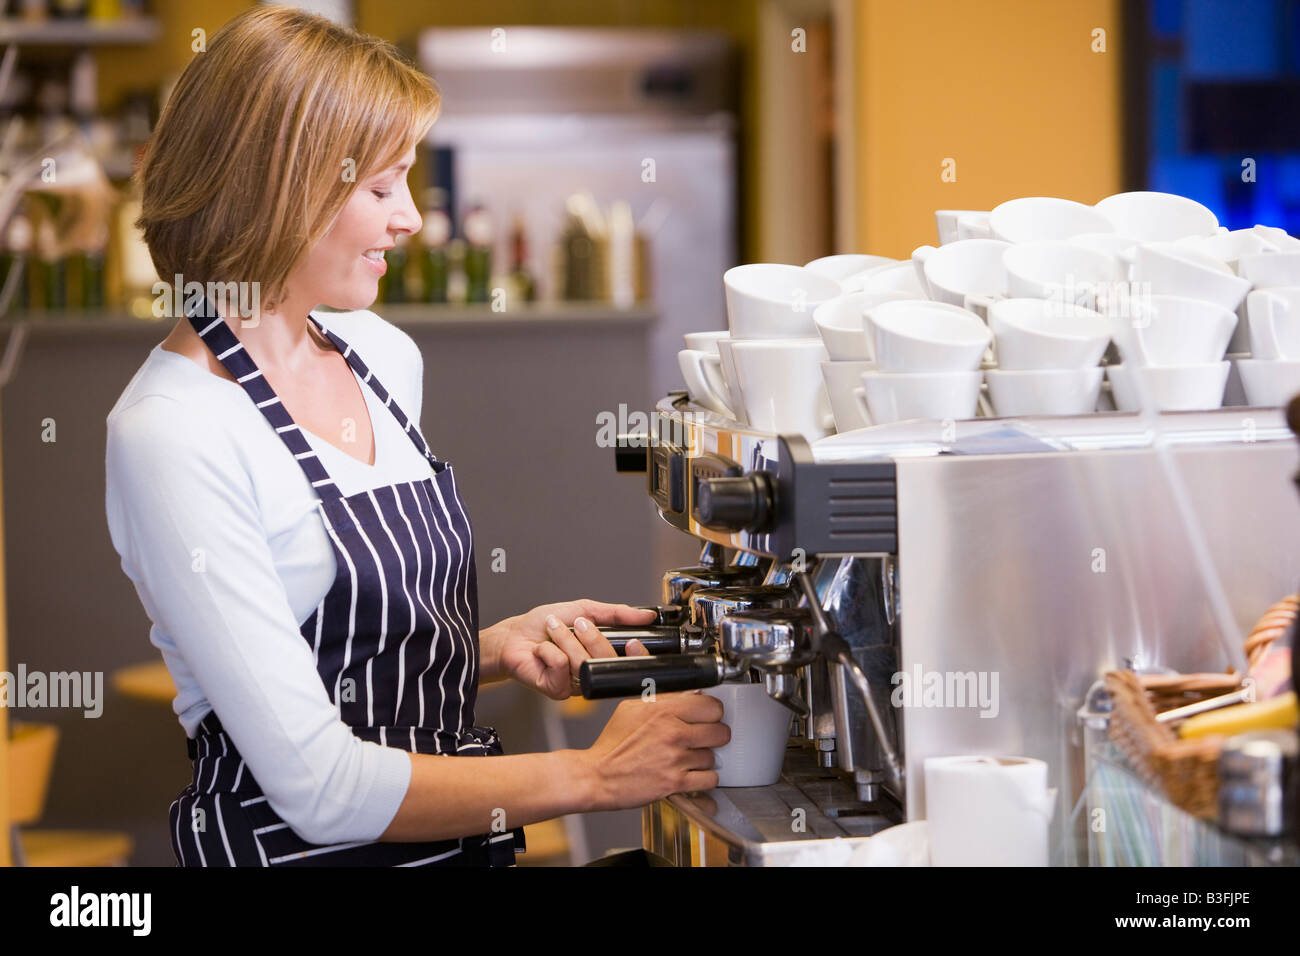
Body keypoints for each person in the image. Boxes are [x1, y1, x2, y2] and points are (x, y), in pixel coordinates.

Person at [104, 4, 727, 868]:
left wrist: (483, 651)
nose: (410, 221)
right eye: (381, 188)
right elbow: (317, 782)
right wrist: (598, 775)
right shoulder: (172, 433)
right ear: (281, 186)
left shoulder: (379, 356)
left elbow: (338, 670)